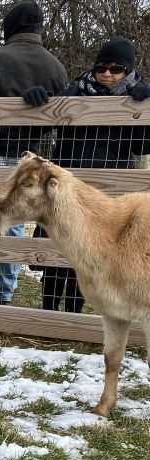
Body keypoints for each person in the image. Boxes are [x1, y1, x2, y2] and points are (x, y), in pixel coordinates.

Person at [22, 36, 150, 312]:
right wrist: (35, 99)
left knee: (88, 254)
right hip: (67, 188)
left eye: (116, 69)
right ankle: (48, 312)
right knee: (58, 247)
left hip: (107, 191)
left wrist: (144, 107)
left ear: (128, 71)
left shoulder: (136, 98)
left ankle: (73, 314)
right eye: (102, 67)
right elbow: (46, 120)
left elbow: (143, 144)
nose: (106, 74)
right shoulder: (75, 91)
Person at [0, 1, 67, 305]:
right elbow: (59, 114)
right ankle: (3, 293)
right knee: (15, 223)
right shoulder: (55, 66)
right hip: (29, 159)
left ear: (11, 27)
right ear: (38, 28)